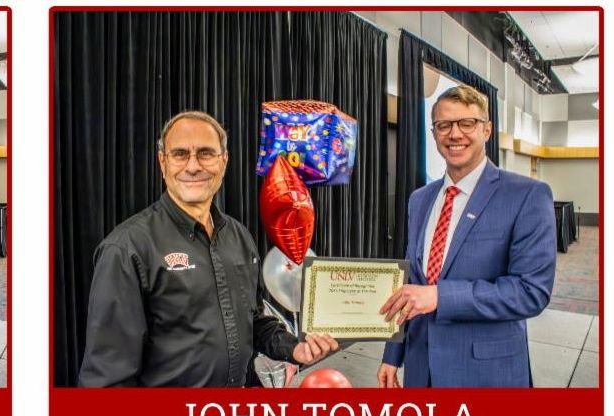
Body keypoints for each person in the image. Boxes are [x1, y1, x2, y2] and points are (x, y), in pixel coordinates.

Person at [78, 111, 339, 387]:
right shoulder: (127, 249)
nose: (193, 166)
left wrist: (293, 348)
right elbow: (107, 380)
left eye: (205, 153)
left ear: (223, 162)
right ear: (162, 162)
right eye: (180, 154)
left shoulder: (239, 237)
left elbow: (254, 321)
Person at [378, 85, 556, 388]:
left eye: (467, 123)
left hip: (486, 374)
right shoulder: (419, 200)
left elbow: (531, 292)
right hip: (421, 369)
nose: (455, 134)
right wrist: (393, 352)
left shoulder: (527, 195)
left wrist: (440, 296)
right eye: (444, 125)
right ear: (434, 134)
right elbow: (412, 284)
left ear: (486, 130)